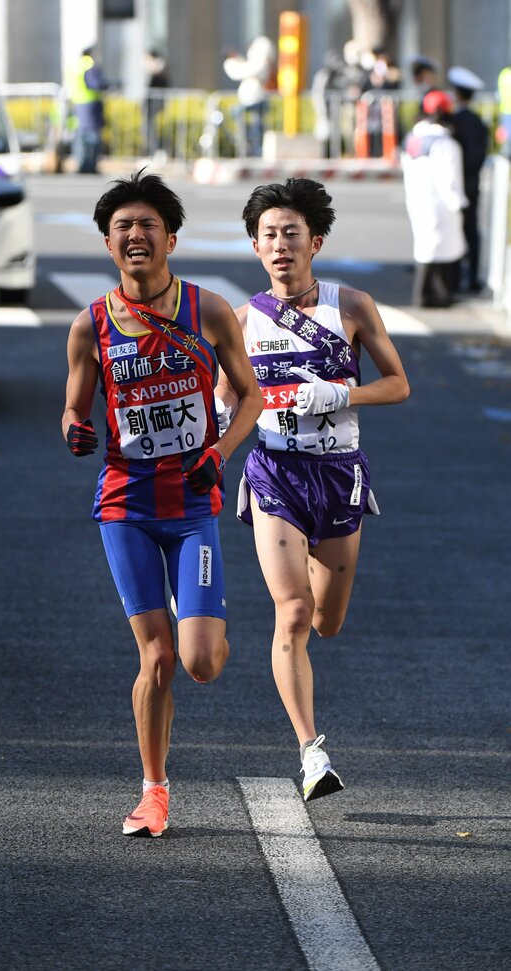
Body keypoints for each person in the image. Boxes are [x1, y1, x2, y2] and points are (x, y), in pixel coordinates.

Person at [63, 170, 262, 837]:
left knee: (200, 661)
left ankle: (206, 620)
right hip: (126, 506)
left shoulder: (208, 311)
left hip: (192, 506)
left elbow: (250, 395)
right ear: (107, 242)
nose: (135, 234)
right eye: (122, 226)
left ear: (170, 238)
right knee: (157, 657)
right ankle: (153, 791)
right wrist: (74, 426)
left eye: (147, 224)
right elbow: (72, 406)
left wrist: (221, 450)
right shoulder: (89, 325)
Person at [215, 178, 409, 802]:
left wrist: (341, 392)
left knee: (327, 620)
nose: (280, 245)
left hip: (340, 474)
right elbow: (225, 399)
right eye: (268, 235)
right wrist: (215, 432)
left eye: (291, 234)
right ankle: (311, 752)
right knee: (293, 611)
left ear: (315, 242)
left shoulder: (351, 306)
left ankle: (311, 737)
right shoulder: (241, 321)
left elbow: (398, 384)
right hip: (274, 473)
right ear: (255, 246)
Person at [401, 89, 468, 307]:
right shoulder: (445, 143)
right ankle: (434, 296)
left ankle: (424, 294)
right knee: (442, 249)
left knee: (425, 247)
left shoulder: (412, 138)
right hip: (439, 204)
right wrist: (458, 202)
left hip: (417, 200)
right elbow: (450, 179)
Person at [447, 65, 489, 293]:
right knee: (472, 231)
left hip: (456, 185)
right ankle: (472, 278)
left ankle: (453, 280)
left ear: (456, 93)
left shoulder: (455, 121)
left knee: (454, 231)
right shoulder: (478, 122)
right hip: (473, 184)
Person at [223, 36, 276, 157]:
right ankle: (248, 147)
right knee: (249, 125)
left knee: (257, 128)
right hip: (250, 99)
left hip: (257, 99)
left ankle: (255, 150)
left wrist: (233, 64)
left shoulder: (261, 65)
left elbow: (243, 71)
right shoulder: (256, 64)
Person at [66, 45, 109, 174]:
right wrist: (107, 85)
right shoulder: (89, 65)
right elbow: (95, 84)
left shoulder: (76, 66)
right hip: (90, 104)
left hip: (78, 103)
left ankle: (81, 164)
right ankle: (89, 165)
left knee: (81, 135)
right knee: (92, 136)